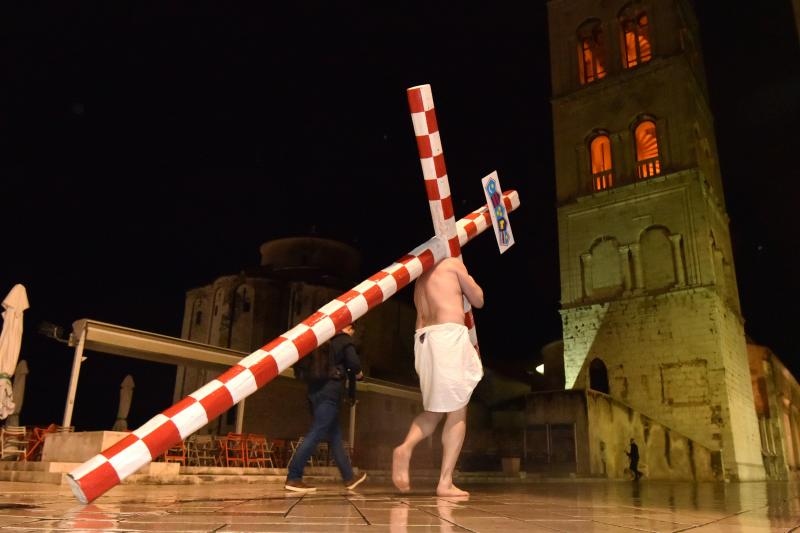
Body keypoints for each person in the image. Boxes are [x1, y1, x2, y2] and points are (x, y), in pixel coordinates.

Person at [392, 257, 485, 497]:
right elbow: (478, 299)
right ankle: (445, 481)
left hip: (423, 338)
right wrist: (469, 280)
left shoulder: (420, 275)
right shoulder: (453, 264)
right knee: (458, 409)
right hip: (447, 335)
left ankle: (405, 447)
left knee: (435, 409)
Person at [284, 323, 367, 493]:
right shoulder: (343, 340)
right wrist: (358, 374)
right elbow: (354, 363)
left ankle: (349, 478)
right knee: (317, 432)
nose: (353, 333)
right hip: (330, 392)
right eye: (352, 329)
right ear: (348, 328)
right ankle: (294, 477)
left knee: (335, 436)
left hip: (314, 391)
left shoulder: (322, 340)